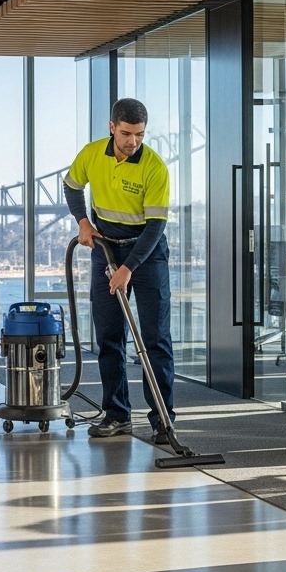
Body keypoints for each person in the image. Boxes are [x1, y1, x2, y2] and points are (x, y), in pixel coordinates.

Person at [63, 98, 174, 443]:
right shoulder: (92, 154)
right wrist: (83, 222)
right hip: (105, 249)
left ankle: (162, 420)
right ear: (112, 127)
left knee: (155, 339)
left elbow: (155, 227)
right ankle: (117, 414)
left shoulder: (154, 167)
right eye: (126, 134)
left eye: (139, 135)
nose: (133, 142)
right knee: (109, 337)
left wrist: (128, 268)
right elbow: (71, 185)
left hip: (147, 254)